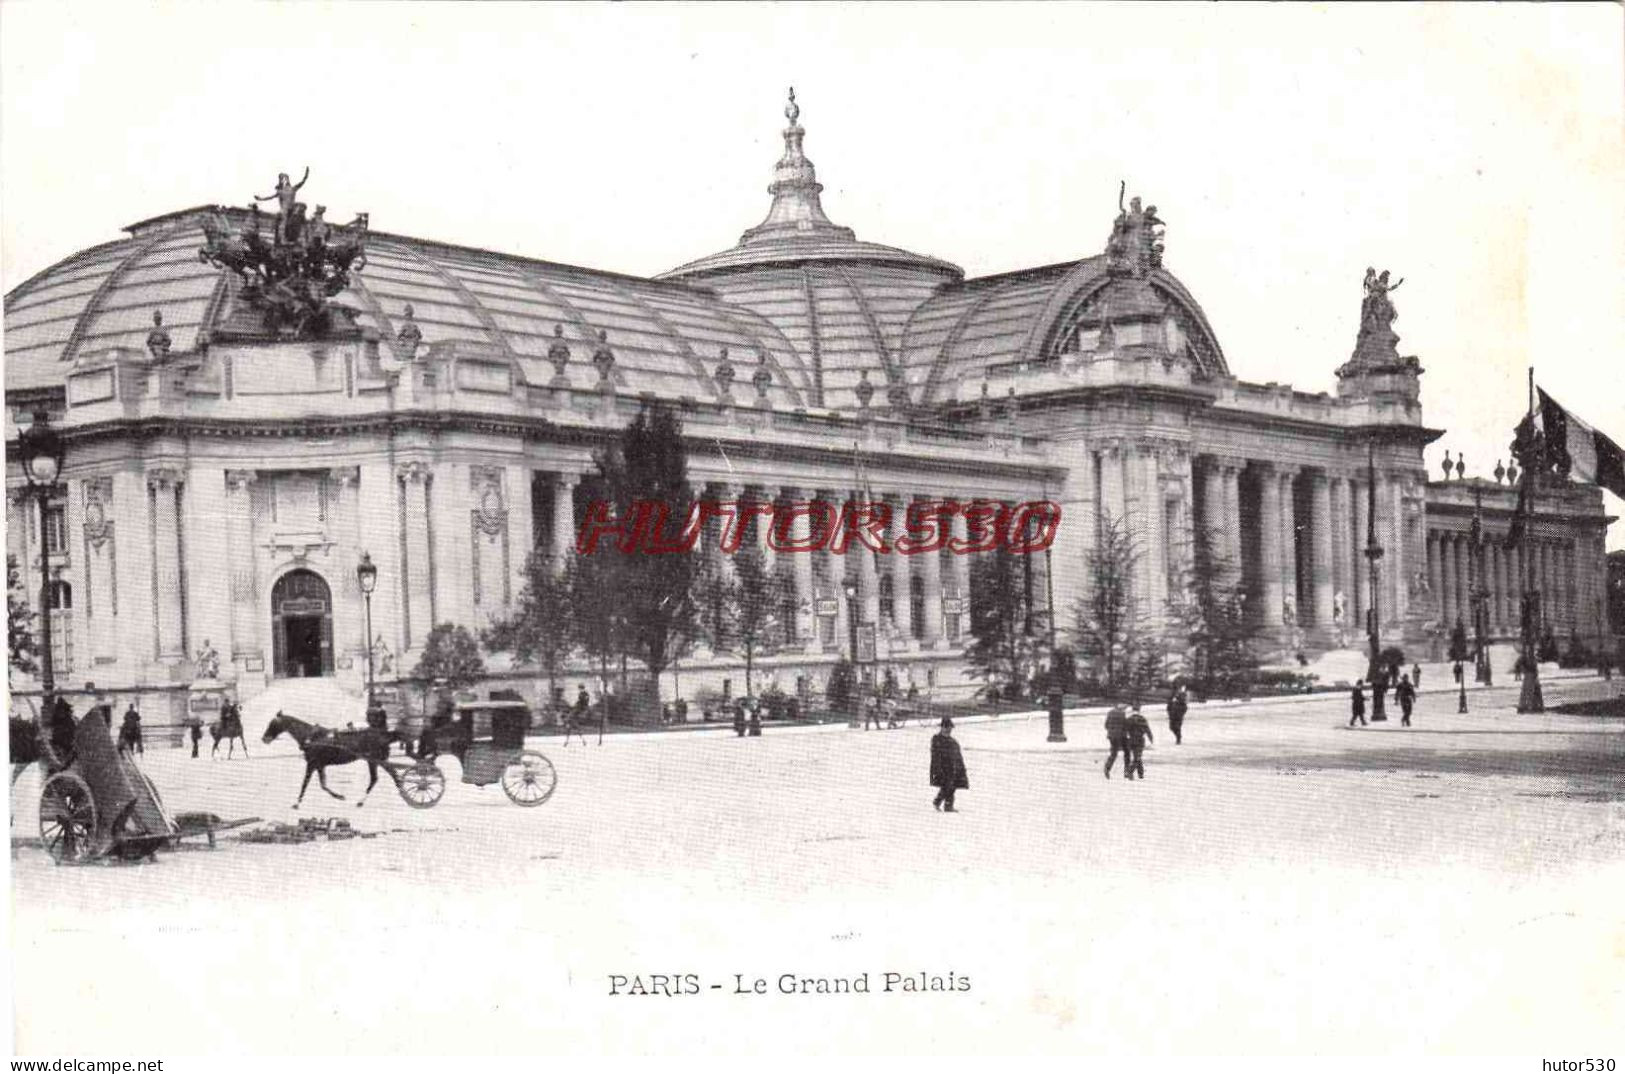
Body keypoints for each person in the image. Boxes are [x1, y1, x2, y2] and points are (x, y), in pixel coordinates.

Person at [929, 717, 968, 812]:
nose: (948, 730)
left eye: (949, 728)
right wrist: (937, 767)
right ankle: (938, 802)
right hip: (942, 767)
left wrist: (960, 767)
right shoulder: (937, 739)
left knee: (952, 786)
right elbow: (935, 755)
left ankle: (948, 805)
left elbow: (958, 755)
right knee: (947, 785)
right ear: (941, 728)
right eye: (946, 728)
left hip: (954, 767)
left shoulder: (953, 741)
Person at [1125, 704, 1154, 780]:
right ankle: (1130, 772)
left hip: (1131, 740)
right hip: (1139, 740)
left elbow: (1125, 730)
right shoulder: (1142, 719)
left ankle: (1140, 773)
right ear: (1139, 710)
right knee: (1137, 757)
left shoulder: (1128, 719)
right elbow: (1147, 729)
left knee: (1136, 756)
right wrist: (1151, 739)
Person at [1103, 703, 1129, 779]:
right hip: (1121, 736)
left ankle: (1107, 768)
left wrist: (1111, 731)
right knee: (1127, 753)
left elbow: (1106, 725)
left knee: (1113, 753)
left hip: (1111, 736)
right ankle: (1126, 771)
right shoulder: (1122, 714)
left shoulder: (1110, 713)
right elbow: (1125, 725)